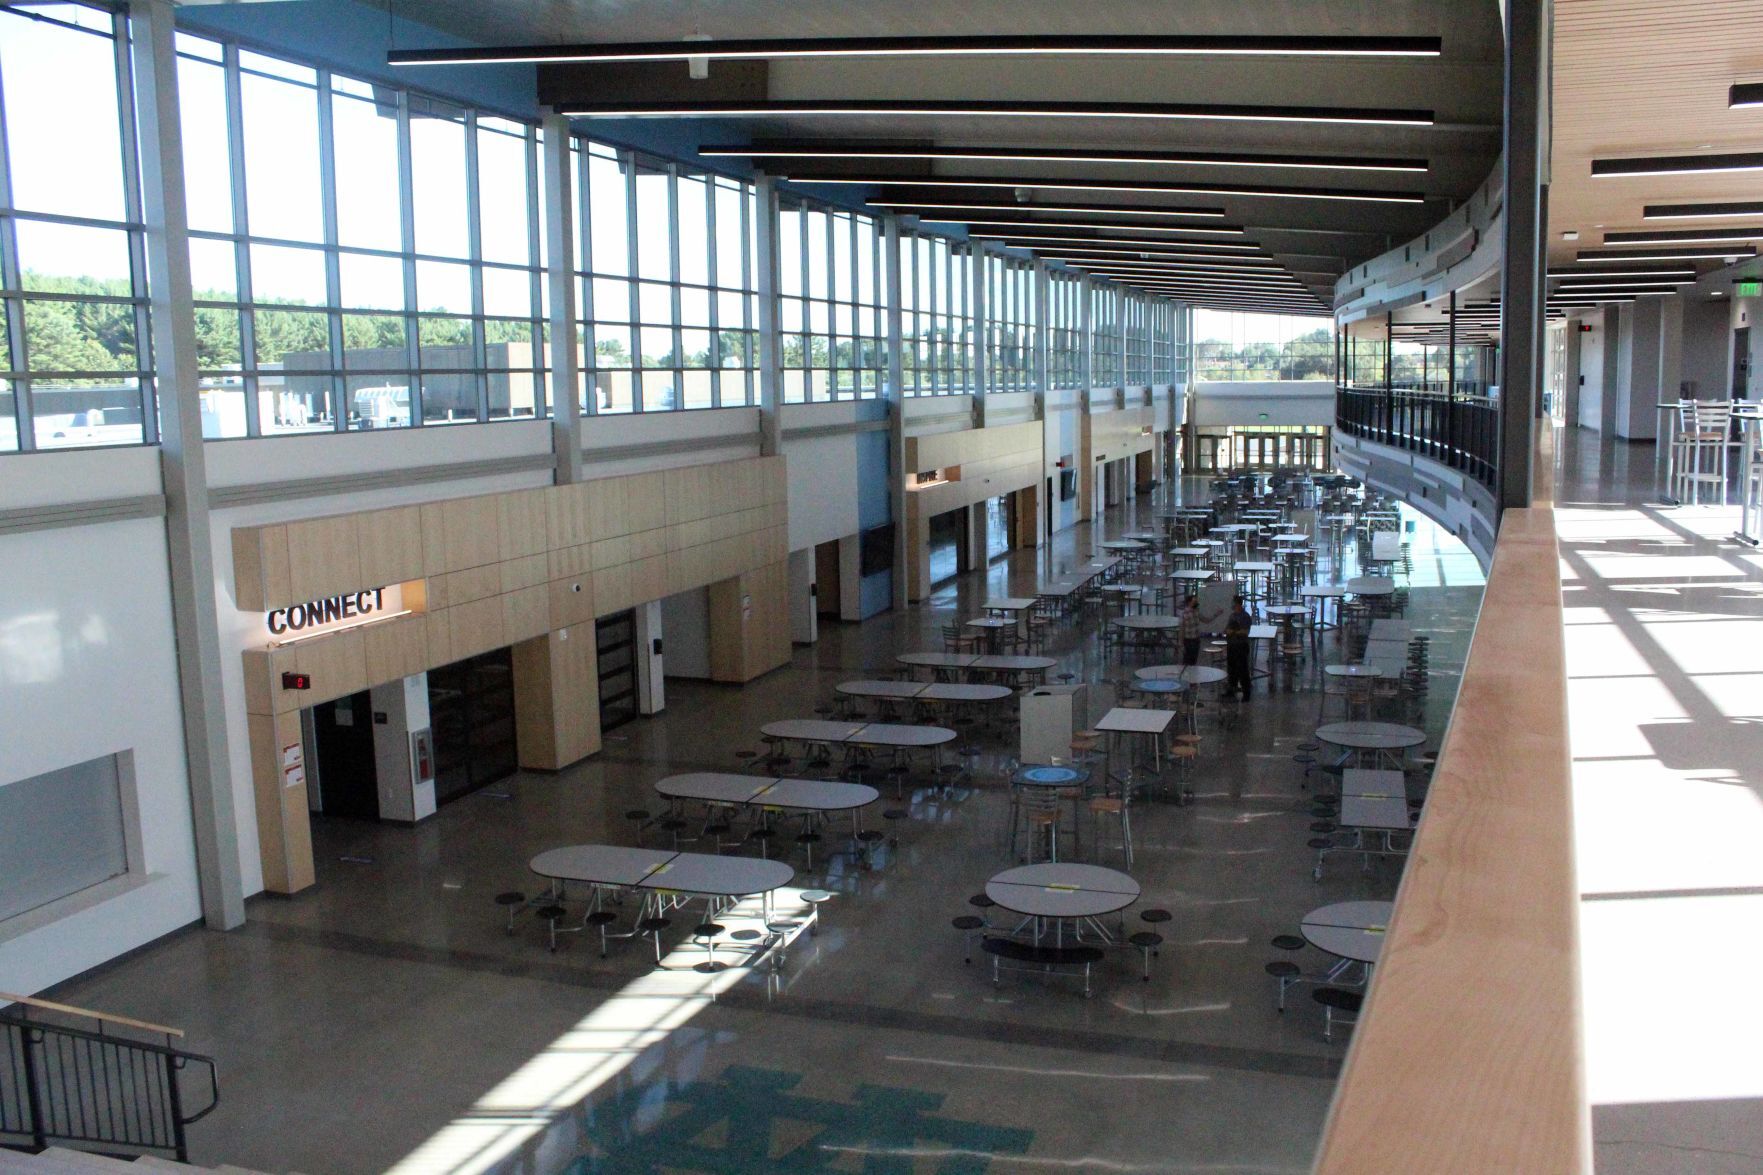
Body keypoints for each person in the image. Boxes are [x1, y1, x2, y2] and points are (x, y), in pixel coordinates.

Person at [1224, 594, 1254, 702]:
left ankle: (1246, 693)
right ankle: (1231, 689)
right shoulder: (1232, 616)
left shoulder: (1245, 616)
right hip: (1231, 645)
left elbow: (1245, 631)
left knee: (1242, 670)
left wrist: (1234, 632)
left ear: (1237, 604)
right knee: (1231, 669)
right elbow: (1226, 629)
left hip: (1241, 646)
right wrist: (1229, 631)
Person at [1179, 594, 1202, 667]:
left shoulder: (1196, 611)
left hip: (1196, 639)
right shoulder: (1185, 613)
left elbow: (1206, 620)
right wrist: (1181, 643)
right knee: (1187, 661)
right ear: (1189, 602)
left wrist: (1216, 614)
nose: (1195, 602)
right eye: (1194, 600)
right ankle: (1185, 676)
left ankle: (1191, 676)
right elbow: (1182, 629)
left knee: (1193, 660)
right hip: (1189, 640)